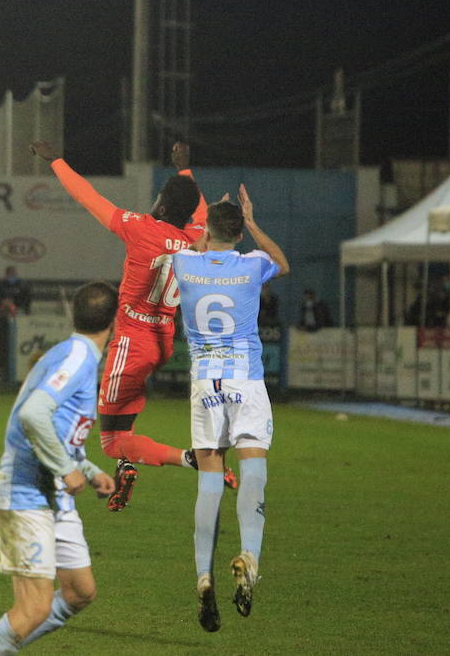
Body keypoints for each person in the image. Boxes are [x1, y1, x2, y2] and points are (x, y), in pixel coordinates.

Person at [31, 139, 211, 511]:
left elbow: (89, 198)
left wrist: (57, 162)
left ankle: (191, 459)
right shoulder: (197, 239)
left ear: (161, 202)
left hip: (132, 341)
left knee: (110, 440)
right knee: (121, 433)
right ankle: (127, 465)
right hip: (163, 341)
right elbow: (202, 215)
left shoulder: (141, 228)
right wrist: (185, 170)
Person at [0, 282, 119, 656]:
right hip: (25, 491)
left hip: (52, 495)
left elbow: (57, 431)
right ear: (115, 322)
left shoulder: (72, 354)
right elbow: (34, 415)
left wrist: (88, 468)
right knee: (34, 608)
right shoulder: (78, 359)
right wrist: (68, 468)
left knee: (79, 592)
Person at [172, 186, 289, 631]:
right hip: (246, 379)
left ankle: (204, 577)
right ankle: (250, 559)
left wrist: (208, 228)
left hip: (206, 382)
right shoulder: (251, 264)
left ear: (206, 230)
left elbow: (199, 245)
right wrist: (252, 221)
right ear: (239, 234)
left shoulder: (185, 262)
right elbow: (282, 262)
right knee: (254, 471)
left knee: (208, 484)